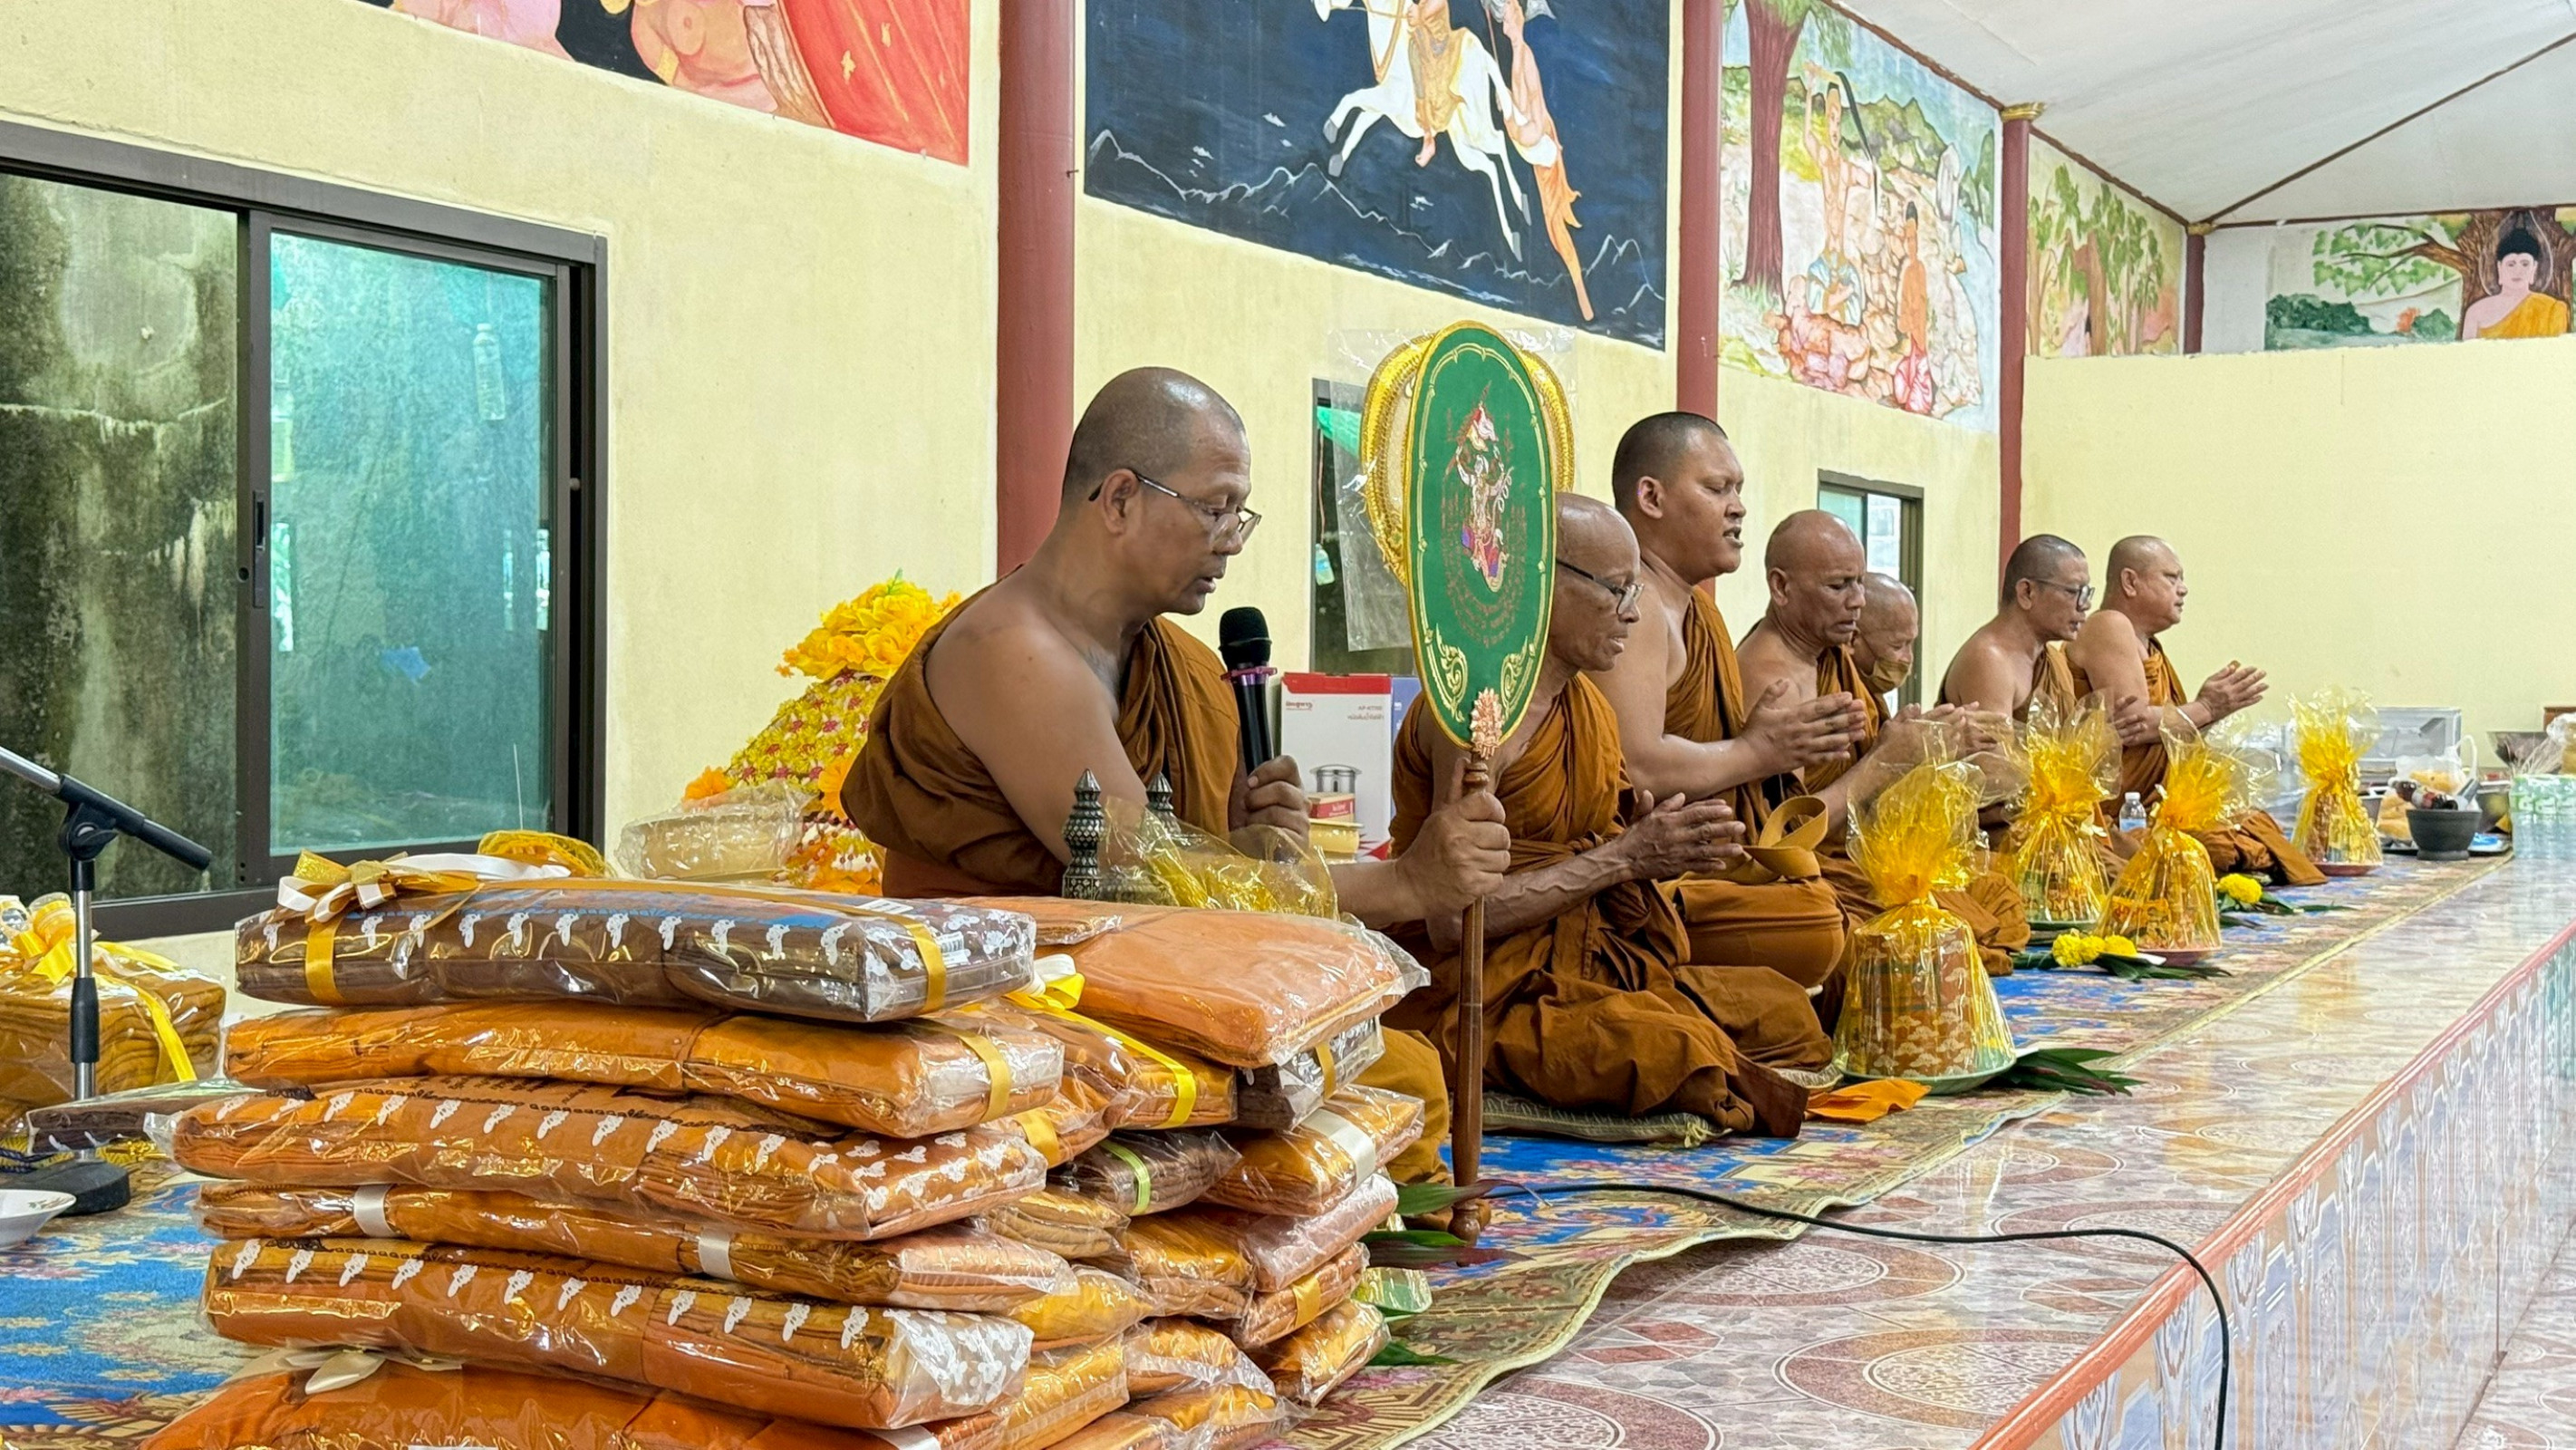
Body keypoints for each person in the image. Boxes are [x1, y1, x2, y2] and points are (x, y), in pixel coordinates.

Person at [844, 367, 1512, 1175]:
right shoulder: (1015, 653)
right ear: (1120, 498)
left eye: (1241, 512)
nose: (1232, 536)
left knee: (1388, 1067)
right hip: (1000, 1014)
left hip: (1135, 981)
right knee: (1392, 1080)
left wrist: (1255, 844)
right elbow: (1151, 882)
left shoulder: (1177, 665)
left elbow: (1189, 873)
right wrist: (1405, 883)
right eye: (1215, 506)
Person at [1384, 493, 1833, 1134]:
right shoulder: (1479, 722)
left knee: (1786, 1013)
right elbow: (1454, 922)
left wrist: (1656, 849)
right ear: (1543, 587)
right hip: (1478, 988)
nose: (1631, 615)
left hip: (1587, 962)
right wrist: (1620, 858)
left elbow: (1607, 847)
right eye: (1618, 592)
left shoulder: (1586, 708)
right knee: (1677, 1052)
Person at [1587, 413, 1862, 998]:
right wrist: (1758, 749)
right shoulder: (1633, 608)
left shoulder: (1699, 613)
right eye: (1717, 489)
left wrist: (1763, 742)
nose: (1737, 508)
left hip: (1702, 862)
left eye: (1738, 490)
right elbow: (1637, 766)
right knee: (1819, 927)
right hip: (1641, 876)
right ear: (1651, 496)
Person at [1739, 512, 2030, 974]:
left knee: (1994, 901)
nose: (1857, 602)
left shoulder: (1829, 659)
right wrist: (1887, 761)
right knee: (1923, 941)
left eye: (1858, 583)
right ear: (1781, 587)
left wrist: (1928, 744)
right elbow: (1784, 841)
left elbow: (1872, 779)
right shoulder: (1771, 677)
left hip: (1854, 862)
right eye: (1839, 587)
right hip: (1809, 878)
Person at [2066, 535, 2323, 885]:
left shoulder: (2147, 643)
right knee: (2212, 849)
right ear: (2130, 581)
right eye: (2171, 578)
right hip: (2120, 810)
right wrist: (2206, 707)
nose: (2183, 589)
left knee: (2250, 831)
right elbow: (2135, 724)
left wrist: (2212, 710)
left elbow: (2169, 732)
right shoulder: (2109, 624)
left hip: (2152, 805)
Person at [1939, 534, 2111, 721]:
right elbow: (1993, 750)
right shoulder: (1989, 660)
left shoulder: (2051, 660)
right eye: (2072, 591)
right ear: (2027, 592)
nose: (2085, 605)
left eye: (2086, 592)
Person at [2463, 228, 2571, 340]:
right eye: (2511, 264)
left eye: (2525, 264)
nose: (2518, 271)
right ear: (2500, 268)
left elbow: (2557, 353)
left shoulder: (2553, 309)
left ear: (2534, 268)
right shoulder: (2476, 312)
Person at [1850, 572, 1917, 708]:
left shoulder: (1870, 694)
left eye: (1910, 643)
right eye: (1897, 646)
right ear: (1852, 639)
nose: (1908, 658)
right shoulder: (1829, 685)